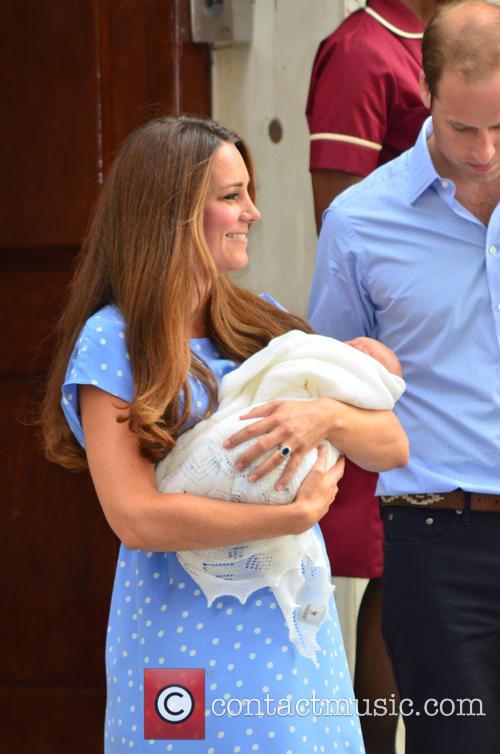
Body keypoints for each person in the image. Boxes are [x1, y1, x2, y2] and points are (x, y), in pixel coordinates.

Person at [41, 115, 408, 753]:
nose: (253, 213)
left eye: (248, 192)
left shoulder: (259, 322)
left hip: (291, 628)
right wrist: (289, 518)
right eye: (231, 196)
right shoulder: (112, 339)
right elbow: (136, 518)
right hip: (177, 635)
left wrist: (324, 417)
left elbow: (392, 445)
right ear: (173, 211)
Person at [308, 1, 500, 752]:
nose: (484, 150)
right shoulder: (359, 224)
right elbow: (327, 384)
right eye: (463, 128)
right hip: (434, 545)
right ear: (425, 92)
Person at [306, 3, 435, 751]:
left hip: (452, 343)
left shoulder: (454, 36)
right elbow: (342, 224)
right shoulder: (361, 49)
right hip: (393, 353)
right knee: (397, 557)